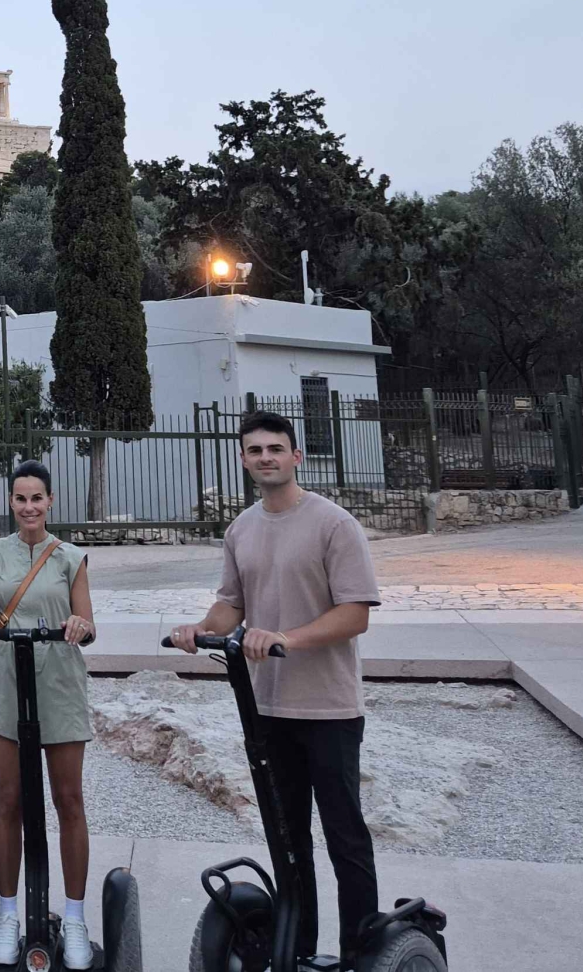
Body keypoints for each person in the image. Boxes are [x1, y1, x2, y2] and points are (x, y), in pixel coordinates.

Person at [168, 411, 381, 970]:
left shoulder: (334, 524)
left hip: (330, 708)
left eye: (275, 449)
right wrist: (199, 629)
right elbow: (232, 604)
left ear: (296, 456)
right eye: (255, 450)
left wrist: (286, 636)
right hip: (268, 708)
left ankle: (362, 952)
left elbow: (355, 614)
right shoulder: (241, 529)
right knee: (290, 846)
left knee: (346, 841)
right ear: (243, 459)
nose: (266, 458)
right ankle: (299, 953)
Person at [0, 460, 97, 970]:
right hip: (11, 679)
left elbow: (87, 620)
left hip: (58, 679)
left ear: (50, 502)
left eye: (37, 498)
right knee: (9, 798)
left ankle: (75, 917)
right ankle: (8, 913)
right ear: (11, 503)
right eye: (20, 498)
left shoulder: (70, 557)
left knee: (69, 799)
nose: (29, 507)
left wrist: (78, 624)